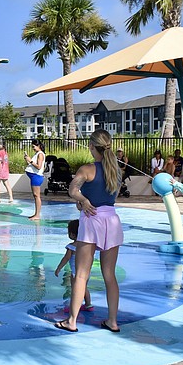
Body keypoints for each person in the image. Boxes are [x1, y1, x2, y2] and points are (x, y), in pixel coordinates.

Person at [57, 129, 123, 334]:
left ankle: (72, 321)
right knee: (109, 275)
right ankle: (112, 321)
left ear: (92, 146)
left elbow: (72, 190)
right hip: (111, 219)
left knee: (82, 275)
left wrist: (84, 201)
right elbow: (112, 196)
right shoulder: (116, 170)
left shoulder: (87, 169)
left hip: (92, 220)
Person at [54, 219, 93, 313]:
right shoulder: (87, 246)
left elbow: (66, 258)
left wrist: (59, 268)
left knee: (75, 290)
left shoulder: (71, 246)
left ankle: (73, 307)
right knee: (84, 288)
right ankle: (88, 305)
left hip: (76, 273)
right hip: (86, 272)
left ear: (72, 234)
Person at [24, 139, 45, 220]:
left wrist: (30, 161)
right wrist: (28, 160)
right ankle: (36, 214)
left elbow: (39, 166)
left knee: (37, 196)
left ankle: (37, 215)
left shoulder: (40, 154)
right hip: (34, 176)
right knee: (35, 196)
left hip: (36, 176)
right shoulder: (37, 154)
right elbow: (33, 165)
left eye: (34, 146)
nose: (33, 148)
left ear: (38, 146)